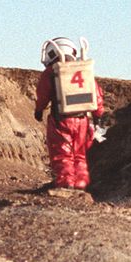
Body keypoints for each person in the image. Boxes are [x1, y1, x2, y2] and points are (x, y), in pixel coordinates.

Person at [34, 36, 104, 190]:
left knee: (62, 153)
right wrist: (98, 115)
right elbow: (96, 94)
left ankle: (66, 183)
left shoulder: (51, 72)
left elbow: (43, 94)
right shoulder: (82, 70)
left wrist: (39, 110)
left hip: (61, 120)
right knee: (79, 154)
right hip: (83, 120)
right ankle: (81, 183)